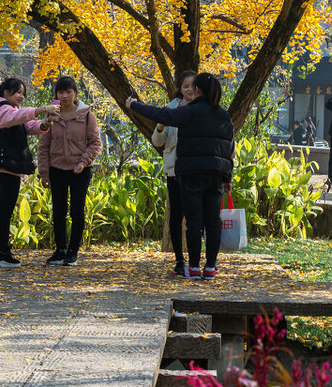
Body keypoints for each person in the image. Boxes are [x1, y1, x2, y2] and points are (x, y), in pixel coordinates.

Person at [128, 72, 234, 280]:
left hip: (191, 174)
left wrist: (133, 105)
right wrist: (227, 178)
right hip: (216, 175)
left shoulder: (188, 112)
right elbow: (229, 149)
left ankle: (194, 267)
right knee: (212, 222)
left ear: (197, 90)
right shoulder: (224, 115)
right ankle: (210, 267)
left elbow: (161, 115)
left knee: (193, 222)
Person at [0, 78, 57, 268]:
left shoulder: (11, 109)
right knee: (5, 211)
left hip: (8, 164)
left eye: (23, 93)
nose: (21, 96)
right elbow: (11, 119)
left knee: (1, 210)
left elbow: (24, 124)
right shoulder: (3, 108)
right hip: (6, 164)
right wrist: (41, 110)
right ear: (5, 92)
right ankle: (1, 253)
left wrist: (43, 125)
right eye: (18, 92)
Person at [40, 76, 102, 266]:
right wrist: (43, 172)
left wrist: (83, 162)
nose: (65, 95)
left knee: (77, 210)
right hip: (56, 169)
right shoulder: (51, 115)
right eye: (61, 92)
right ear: (56, 94)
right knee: (58, 210)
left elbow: (95, 143)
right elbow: (43, 146)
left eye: (68, 91)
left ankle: (73, 251)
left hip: (79, 170)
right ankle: (60, 250)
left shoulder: (86, 115)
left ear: (75, 93)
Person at [151, 71, 196, 277]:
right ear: (180, 88)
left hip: (196, 170)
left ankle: (196, 259)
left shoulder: (203, 109)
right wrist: (161, 124)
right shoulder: (170, 109)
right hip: (175, 170)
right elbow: (157, 142)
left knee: (195, 216)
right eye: (185, 86)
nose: (190, 89)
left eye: (193, 86)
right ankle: (179, 259)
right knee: (176, 216)